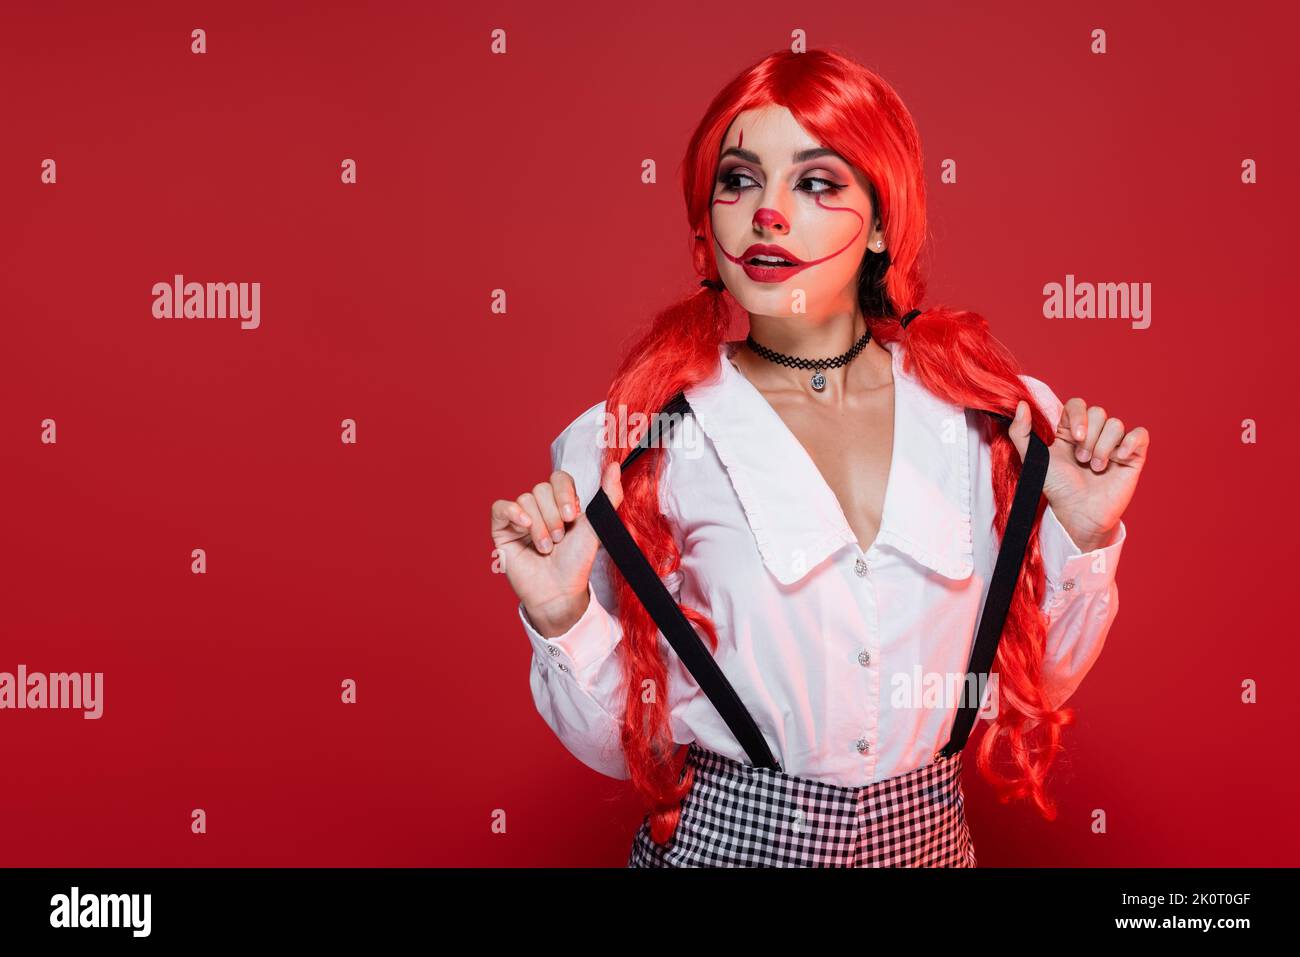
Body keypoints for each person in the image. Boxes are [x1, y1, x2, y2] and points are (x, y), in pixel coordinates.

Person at [490, 48, 1148, 867]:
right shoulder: (631, 439)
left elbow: (1030, 685)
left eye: (816, 183)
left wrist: (1082, 539)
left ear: (880, 222)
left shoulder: (991, 420)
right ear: (709, 225)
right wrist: (561, 617)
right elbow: (612, 741)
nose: (767, 213)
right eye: (737, 180)